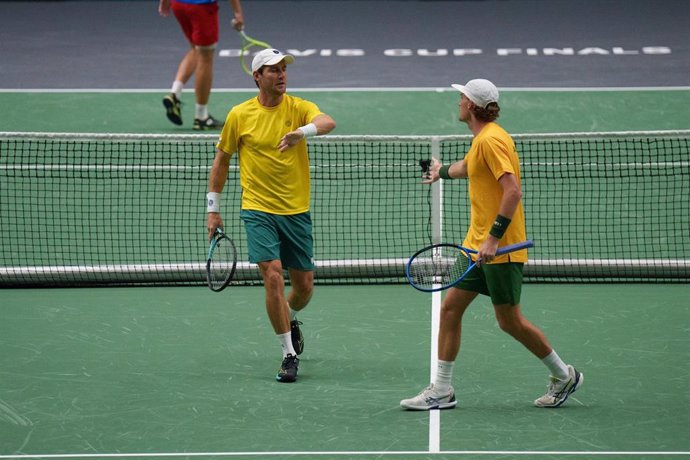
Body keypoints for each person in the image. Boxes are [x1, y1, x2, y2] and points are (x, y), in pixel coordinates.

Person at [400, 79, 583, 410]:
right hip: (476, 246)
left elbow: (512, 191)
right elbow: (469, 167)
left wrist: (494, 238)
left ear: (471, 105)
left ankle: (564, 374)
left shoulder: (492, 141)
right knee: (450, 308)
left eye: (461, 98)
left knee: (509, 321)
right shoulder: (482, 140)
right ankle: (441, 389)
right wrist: (440, 173)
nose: (457, 101)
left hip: (499, 249)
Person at [206, 49, 336, 383]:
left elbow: (327, 122)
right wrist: (213, 209)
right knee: (273, 275)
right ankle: (288, 355)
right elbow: (221, 160)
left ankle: (288, 317)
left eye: (283, 69)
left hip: (296, 211)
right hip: (258, 209)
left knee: (304, 288)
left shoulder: (298, 108)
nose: (281, 75)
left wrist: (301, 133)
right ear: (257, 77)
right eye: (273, 70)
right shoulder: (240, 115)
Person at [158, 0, 244, 130]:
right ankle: (202, 117)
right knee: (206, 56)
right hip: (201, 7)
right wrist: (238, 13)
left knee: (196, 49)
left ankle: (174, 94)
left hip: (178, 5)